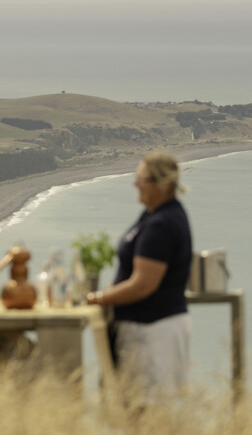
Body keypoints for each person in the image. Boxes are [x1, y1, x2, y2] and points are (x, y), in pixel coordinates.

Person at [86, 151, 192, 401]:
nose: (135, 183)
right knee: (134, 413)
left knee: (150, 414)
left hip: (153, 330)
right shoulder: (152, 215)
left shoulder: (162, 224)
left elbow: (143, 285)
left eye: (141, 179)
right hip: (141, 329)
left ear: (163, 185)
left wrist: (98, 298)